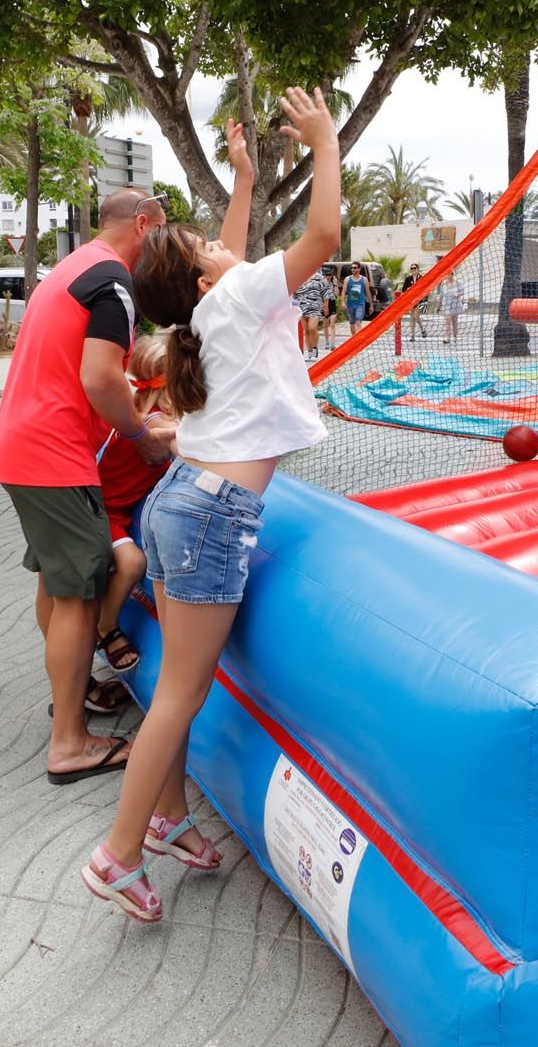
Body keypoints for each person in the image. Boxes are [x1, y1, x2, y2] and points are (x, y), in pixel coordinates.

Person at [81, 86, 340, 922]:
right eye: (208, 245)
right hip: (209, 515)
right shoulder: (235, 298)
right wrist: (325, 146)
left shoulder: (210, 310)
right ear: (203, 276)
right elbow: (324, 237)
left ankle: (166, 816)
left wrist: (241, 177)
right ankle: (117, 856)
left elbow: (224, 251)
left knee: (179, 692)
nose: (224, 246)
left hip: (180, 503)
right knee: (180, 696)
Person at [0, 183, 176, 784]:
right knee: (78, 597)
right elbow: (101, 378)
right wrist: (142, 435)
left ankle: (76, 695)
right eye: (162, 234)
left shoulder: (71, 267)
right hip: (54, 454)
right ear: (143, 224)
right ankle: (68, 743)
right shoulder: (114, 283)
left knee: (56, 582)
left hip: (21, 446)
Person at [92, 332, 176, 676]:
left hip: (122, 507)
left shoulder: (138, 407)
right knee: (131, 562)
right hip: (101, 512)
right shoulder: (154, 420)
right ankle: (105, 627)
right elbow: (185, 441)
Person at [294, 264, 328, 360]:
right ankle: (309, 352)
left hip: (315, 306)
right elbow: (294, 294)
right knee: (307, 331)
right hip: (301, 307)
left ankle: (315, 349)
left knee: (312, 328)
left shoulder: (318, 277)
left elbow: (326, 291)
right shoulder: (298, 278)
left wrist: (326, 304)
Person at [341, 261, 370, 329]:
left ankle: (358, 339)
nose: (353, 269)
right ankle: (354, 338)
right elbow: (343, 292)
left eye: (355, 268)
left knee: (358, 321)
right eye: (351, 268)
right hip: (350, 304)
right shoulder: (347, 279)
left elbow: (368, 293)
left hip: (360, 304)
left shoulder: (364, 280)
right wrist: (343, 302)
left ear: (359, 269)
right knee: (352, 323)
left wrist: (371, 305)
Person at [440, 275, 465, 346]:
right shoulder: (444, 283)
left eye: (451, 274)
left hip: (455, 305)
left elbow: (462, 291)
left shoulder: (457, 282)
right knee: (448, 321)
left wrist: (458, 294)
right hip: (446, 305)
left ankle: (455, 337)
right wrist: (438, 305)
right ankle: (447, 338)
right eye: (448, 274)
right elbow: (441, 295)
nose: (449, 276)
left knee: (454, 321)